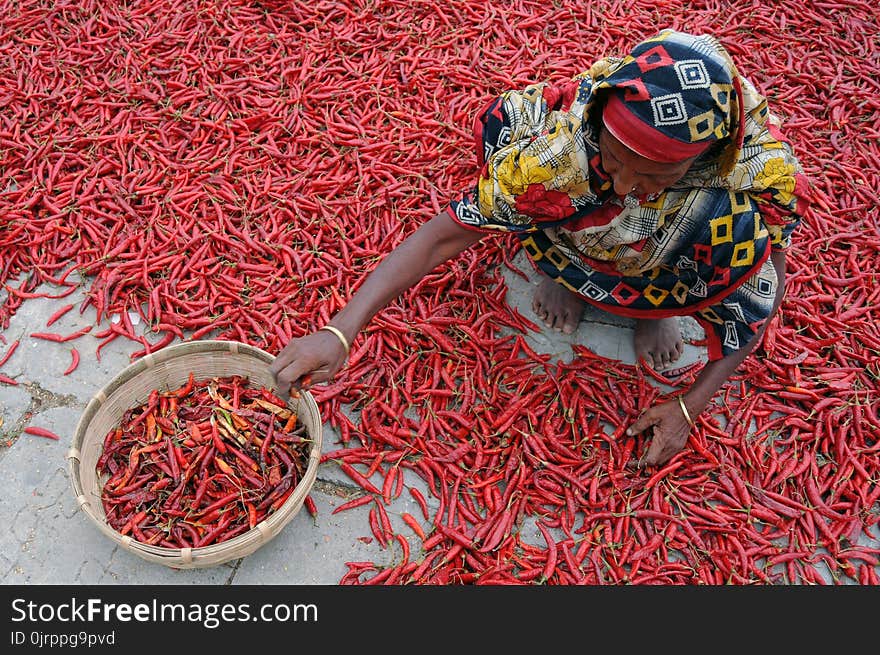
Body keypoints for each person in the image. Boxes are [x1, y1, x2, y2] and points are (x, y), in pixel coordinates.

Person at [269, 29, 811, 467]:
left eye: (655, 173)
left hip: (677, 251)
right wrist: (341, 329)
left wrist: (691, 408)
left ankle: (659, 305)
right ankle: (562, 268)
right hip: (565, 200)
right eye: (616, 160)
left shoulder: (752, 170)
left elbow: (764, 290)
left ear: (702, 160)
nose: (624, 185)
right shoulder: (564, 151)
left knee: (733, 235)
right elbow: (446, 232)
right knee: (514, 148)